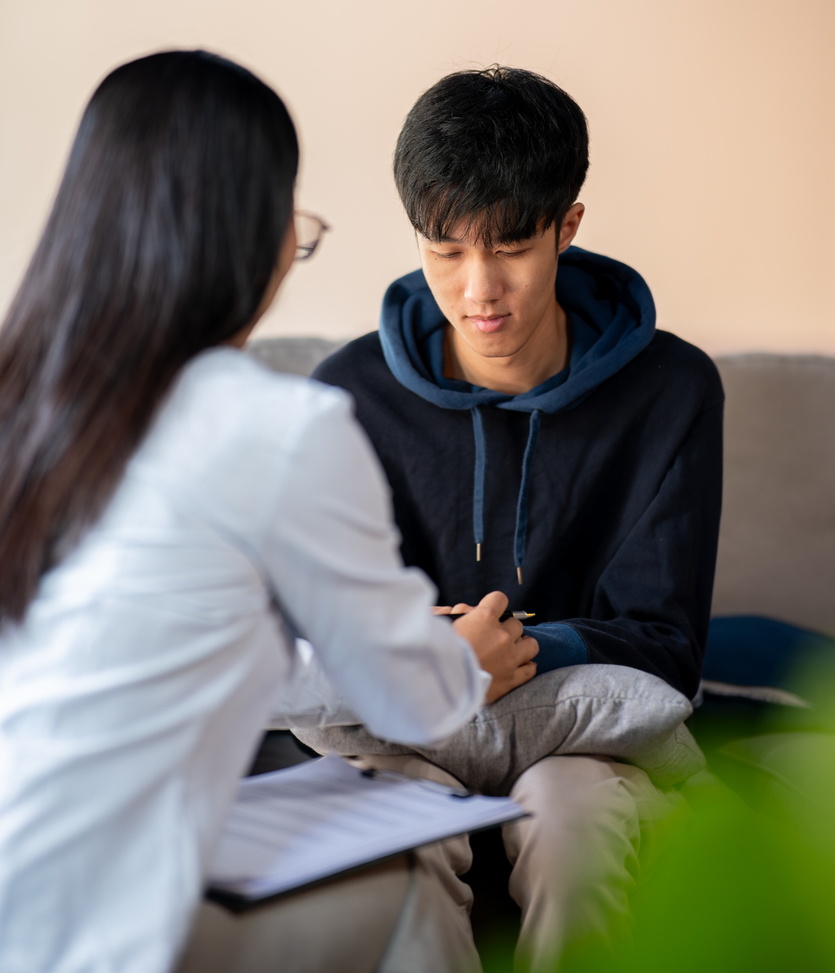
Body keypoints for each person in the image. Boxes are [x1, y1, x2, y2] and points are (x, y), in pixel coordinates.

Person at [0, 51, 538, 973]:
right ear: (251, 232)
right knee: (410, 878)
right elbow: (408, 696)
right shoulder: (276, 425)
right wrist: (461, 664)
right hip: (95, 933)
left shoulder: (24, 406)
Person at [308, 65, 724, 968]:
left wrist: (511, 655)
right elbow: (310, 624)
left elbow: (667, 643)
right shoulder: (342, 396)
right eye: (445, 249)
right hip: (400, 731)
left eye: (510, 246)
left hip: (582, 739)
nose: (477, 288)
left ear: (566, 225)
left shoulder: (672, 390)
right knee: (390, 866)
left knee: (574, 833)